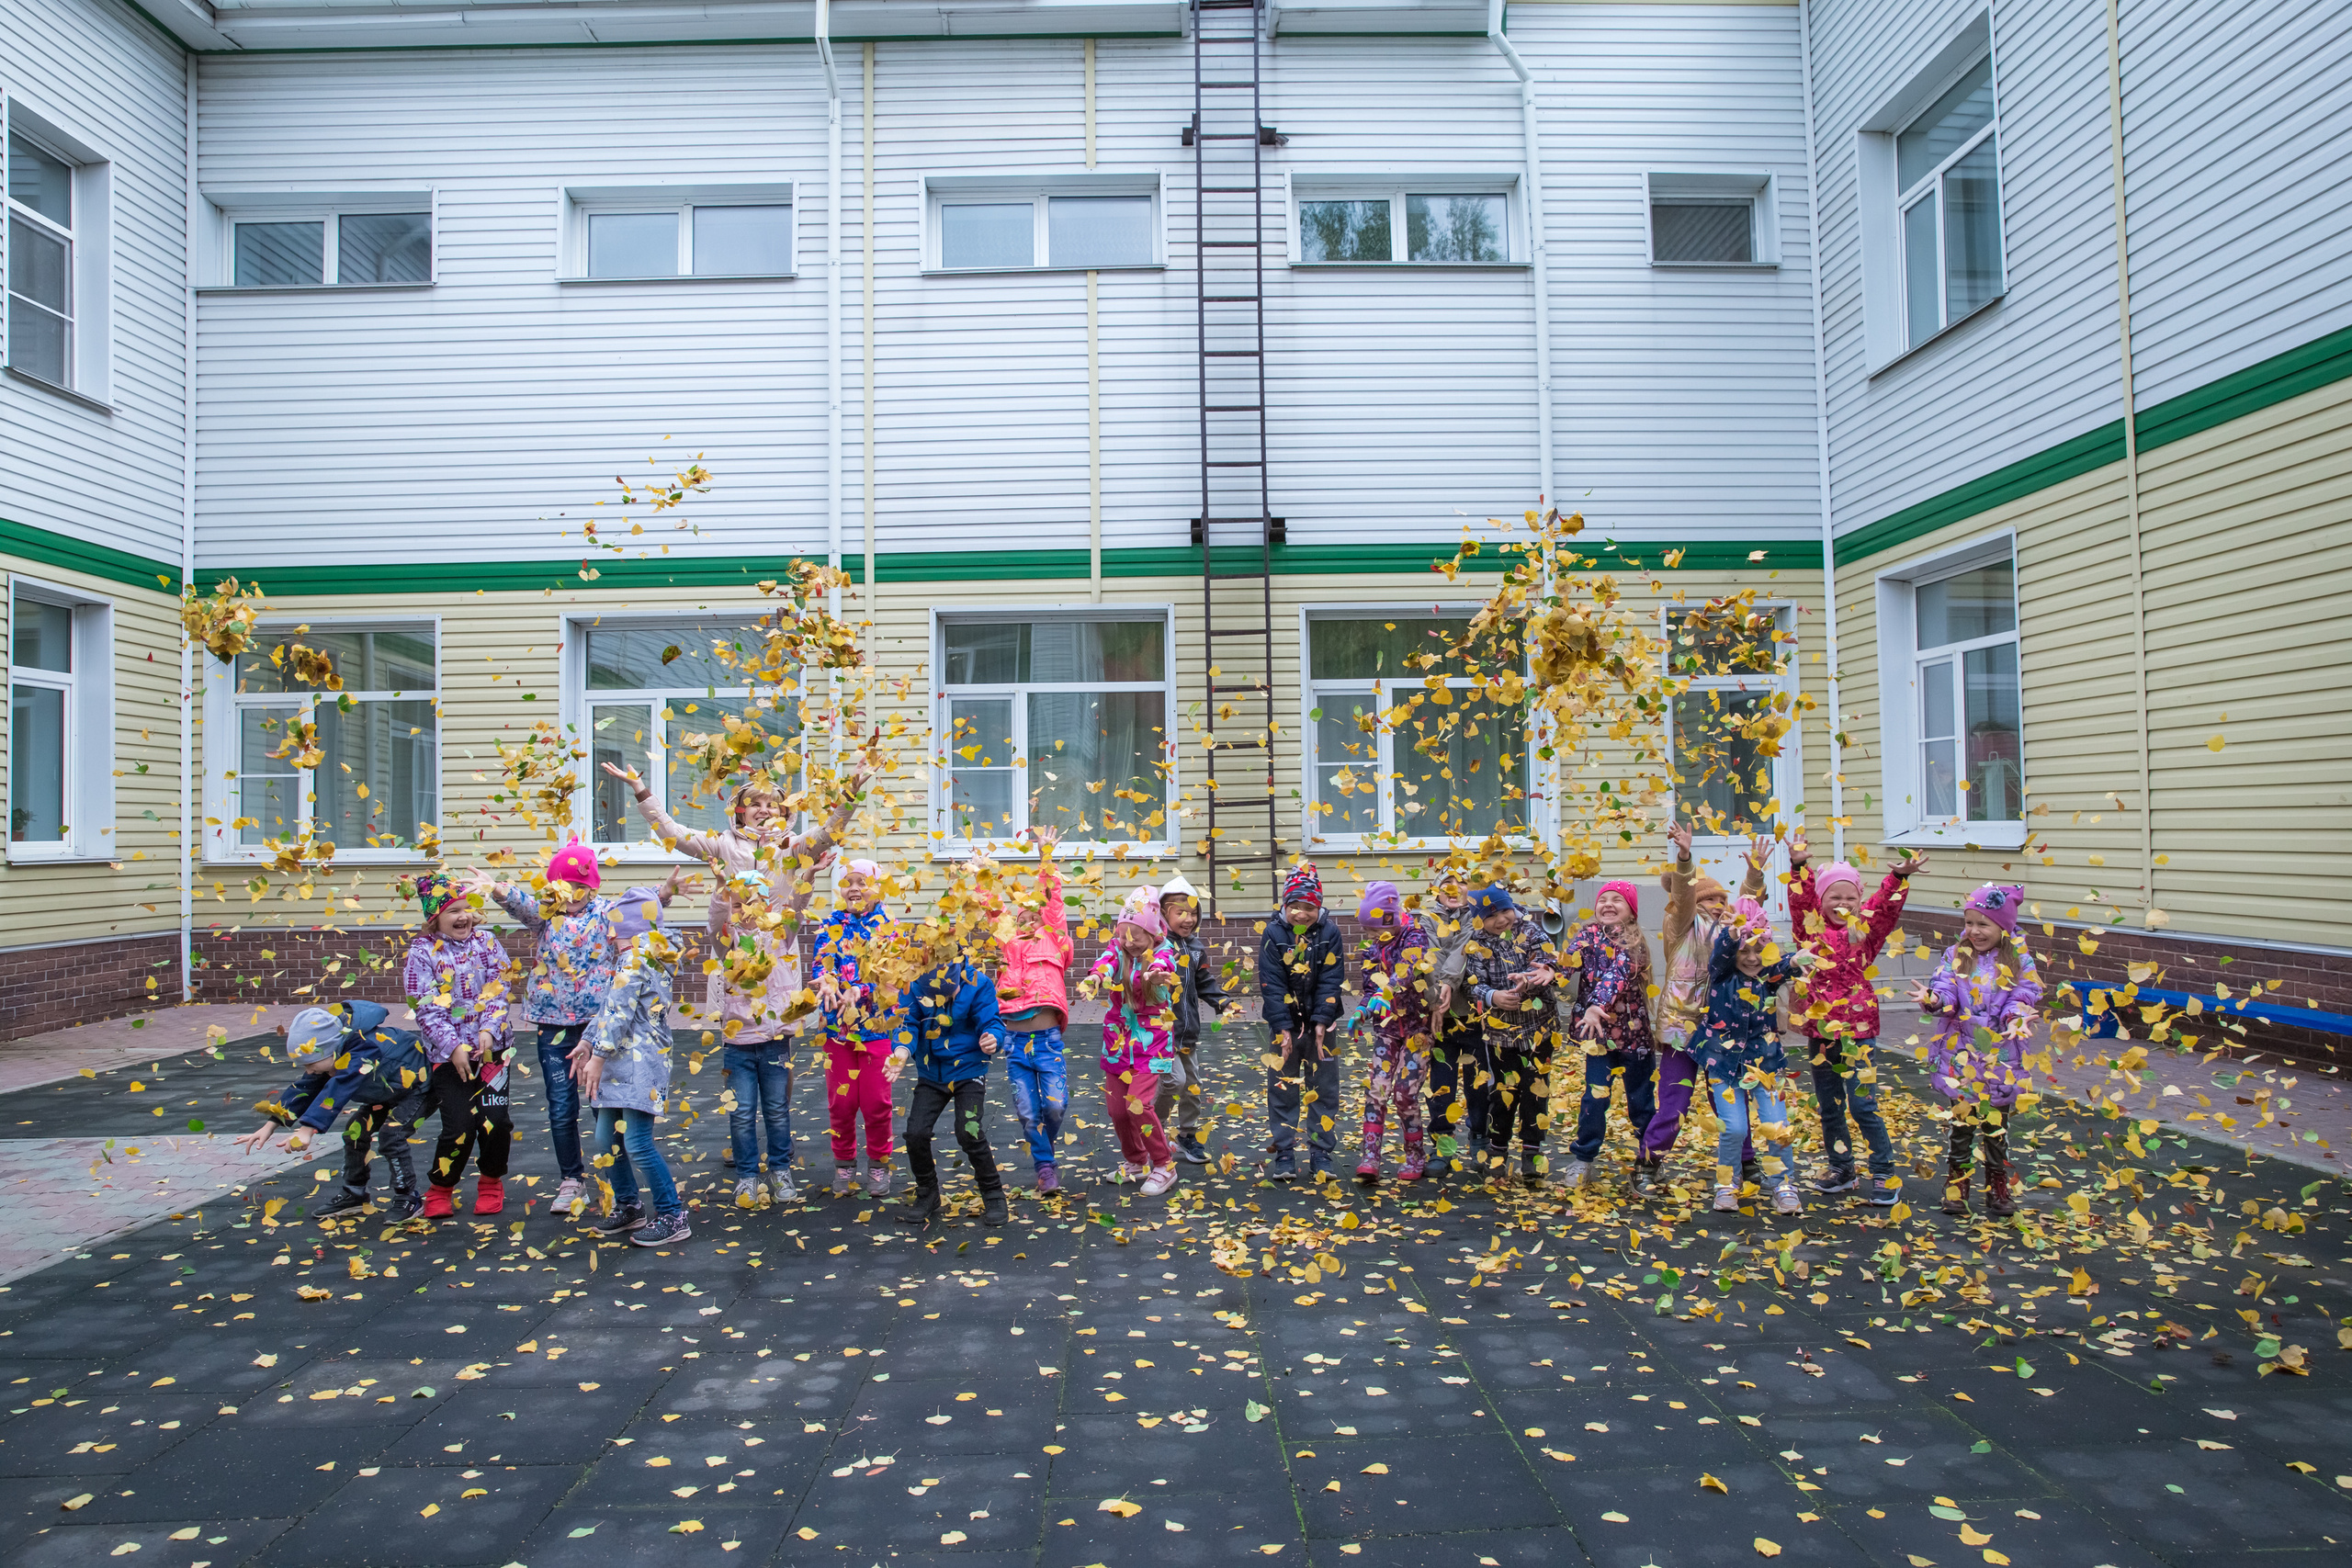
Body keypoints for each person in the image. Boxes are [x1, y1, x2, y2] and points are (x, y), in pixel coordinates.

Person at [601, 761, 861, 1205]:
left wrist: (850, 795)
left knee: (778, 1097)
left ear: (786, 812)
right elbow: (673, 834)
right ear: (738, 812)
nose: (763, 810)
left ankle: (780, 1166)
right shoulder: (721, 845)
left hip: (779, 971)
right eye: (754, 803)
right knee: (742, 1106)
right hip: (738, 967)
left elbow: (828, 834)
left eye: (772, 804)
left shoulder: (792, 845)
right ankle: (747, 1172)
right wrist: (643, 791)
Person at [475, 840, 685, 1219]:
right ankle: (572, 1179)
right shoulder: (546, 915)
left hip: (599, 1025)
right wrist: (496, 888)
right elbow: (520, 902)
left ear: (592, 887)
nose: (570, 894)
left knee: (601, 1104)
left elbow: (638, 911)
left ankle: (619, 1186)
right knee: (560, 1106)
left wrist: (664, 893)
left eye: (578, 886)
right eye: (562, 886)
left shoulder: (609, 917)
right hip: (555, 1026)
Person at [1786, 833, 1926, 1206]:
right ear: (1821, 900)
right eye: (1835, 897)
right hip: (1821, 1032)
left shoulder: (1864, 932)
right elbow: (1799, 904)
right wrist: (1799, 868)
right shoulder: (1809, 930)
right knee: (1829, 1105)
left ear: (1859, 902)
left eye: (1851, 897)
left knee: (1863, 1104)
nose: (1843, 903)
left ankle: (1883, 1171)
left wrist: (1898, 878)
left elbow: (1885, 909)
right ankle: (1842, 1166)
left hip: (1859, 1031)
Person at [1642, 824, 1770, 1194]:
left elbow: (1748, 905)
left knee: (1728, 1101)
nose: (1717, 905)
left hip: (1722, 1031)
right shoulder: (1679, 926)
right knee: (1674, 1103)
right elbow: (1680, 897)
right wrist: (1684, 858)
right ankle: (1648, 1162)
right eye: (1708, 900)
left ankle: (1746, 1160)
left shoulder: (1731, 930)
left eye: (1720, 900)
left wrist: (1754, 874)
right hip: (1681, 1027)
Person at [1916, 884, 2043, 1219]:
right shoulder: (1957, 955)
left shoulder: (2019, 960)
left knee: (1995, 1127)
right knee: (1961, 1126)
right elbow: (1945, 989)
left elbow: (2023, 996)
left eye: (1983, 924)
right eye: (1969, 922)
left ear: (2004, 926)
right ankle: (1957, 1184)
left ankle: (1998, 1186)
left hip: (2001, 1058)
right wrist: (1935, 1000)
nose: (1974, 931)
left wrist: (2016, 1018)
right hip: (1960, 1056)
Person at [240, 1002, 431, 1220]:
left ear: (331, 1048)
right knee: (355, 1132)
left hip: (418, 1089)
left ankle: (408, 1197)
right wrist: (271, 1124)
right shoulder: (336, 1051)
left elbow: (340, 1086)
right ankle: (355, 1192)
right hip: (386, 1092)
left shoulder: (364, 1048)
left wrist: (308, 1129)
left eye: (310, 1063)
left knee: (392, 1134)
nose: (308, 1070)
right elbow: (306, 1087)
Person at [576, 886, 691, 1247]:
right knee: (606, 1138)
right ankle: (628, 1206)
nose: (608, 934)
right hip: (620, 1061)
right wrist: (587, 1039)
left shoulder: (637, 959)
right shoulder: (633, 958)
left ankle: (672, 1214)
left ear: (624, 928)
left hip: (641, 1064)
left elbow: (621, 1013)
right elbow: (610, 1007)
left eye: (612, 926)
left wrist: (596, 1056)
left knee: (638, 1142)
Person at [402, 870, 517, 1218]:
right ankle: (441, 1186)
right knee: (460, 1126)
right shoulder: (422, 952)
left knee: (495, 1122)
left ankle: (490, 1181)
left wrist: (489, 1031)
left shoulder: (488, 943)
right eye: (453, 911)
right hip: (447, 1057)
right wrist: (452, 1047)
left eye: (468, 908)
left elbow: (500, 987)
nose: (464, 916)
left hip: (493, 1053)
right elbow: (423, 1005)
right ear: (435, 918)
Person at [1691, 898, 1816, 1215]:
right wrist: (1733, 935)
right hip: (1724, 1062)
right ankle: (1727, 1182)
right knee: (1733, 1128)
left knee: (1777, 1125)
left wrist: (1797, 959)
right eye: (1743, 951)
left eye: (1757, 951)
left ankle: (1783, 1183)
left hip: (1766, 1063)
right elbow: (1720, 954)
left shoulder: (1768, 977)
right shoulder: (1721, 973)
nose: (1750, 958)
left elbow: (1784, 966)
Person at [888, 953, 1012, 1227]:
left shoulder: (978, 983)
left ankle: (993, 1194)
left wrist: (994, 1038)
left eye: (951, 992)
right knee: (916, 1132)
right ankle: (927, 1193)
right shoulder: (913, 985)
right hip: (932, 1072)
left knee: (968, 1130)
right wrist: (901, 1052)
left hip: (968, 1069)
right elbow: (906, 1024)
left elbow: (991, 1020)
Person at [1082, 886, 1183, 1195]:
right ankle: (1136, 1160)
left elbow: (1162, 965)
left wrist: (1152, 974)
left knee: (1138, 1106)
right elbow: (1105, 963)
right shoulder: (1118, 948)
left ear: (1152, 934)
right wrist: (1095, 977)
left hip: (1151, 1042)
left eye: (1136, 936)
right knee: (1117, 1110)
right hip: (1118, 1040)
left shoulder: (1165, 951)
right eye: (1124, 934)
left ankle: (1164, 1165)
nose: (1129, 942)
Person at [1556, 878, 1655, 1190]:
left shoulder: (1635, 942)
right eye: (1603, 899)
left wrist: (1596, 1004)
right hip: (1599, 1039)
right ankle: (1583, 1159)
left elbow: (1616, 976)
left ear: (1631, 911)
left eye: (1618, 900)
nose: (1608, 904)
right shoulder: (1587, 935)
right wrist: (1547, 972)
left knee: (1641, 1103)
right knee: (1593, 1099)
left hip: (1634, 1037)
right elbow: (1566, 963)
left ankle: (1649, 1162)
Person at [813, 859, 899, 1197]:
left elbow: (890, 976)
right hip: (838, 1031)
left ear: (877, 887)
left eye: (862, 882)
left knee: (877, 1102)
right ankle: (844, 1162)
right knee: (842, 1103)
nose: (854, 888)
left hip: (877, 1029)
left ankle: (878, 1164)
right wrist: (826, 980)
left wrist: (859, 990)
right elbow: (822, 963)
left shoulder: (889, 927)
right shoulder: (830, 924)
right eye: (848, 881)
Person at [996, 829, 1074, 1193]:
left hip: (1046, 1040)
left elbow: (1053, 901)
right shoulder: (1008, 946)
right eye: (1021, 916)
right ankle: (1045, 1167)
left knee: (1055, 1107)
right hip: (1014, 1043)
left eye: (1034, 916)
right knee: (1029, 1112)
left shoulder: (1055, 939)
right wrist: (977, 873)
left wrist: (1046, 856)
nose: (1028, 920)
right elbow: (992, 911)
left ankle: (1044, 1147)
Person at [1464, 884, 1558, 1187]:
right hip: (1501, 1035)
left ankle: (1532, 1151)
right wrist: (1493, 996)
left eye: (1505, 910)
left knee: (1536, 1090)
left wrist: (1530, 980)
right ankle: (1498, 1150)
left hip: (1539, 1028)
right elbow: (1471, 984)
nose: (1502, 919)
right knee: (1503, 1093)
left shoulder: (1529, 931)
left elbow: (1549, 962)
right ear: (1479, 920)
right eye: (1491, 915)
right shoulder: (1476, 944)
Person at [1258, 863, 1346, 1179]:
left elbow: (1332, 979)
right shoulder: (1274, 933)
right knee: (1283, 1088)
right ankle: (1284, 1152)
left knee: (1324, 1088)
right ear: (1285, 905)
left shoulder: (1330, 933)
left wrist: (1322, 1019)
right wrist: (1283, 1027)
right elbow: (1271, 983)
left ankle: (1321, 1152)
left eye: (1308, 907)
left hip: (1324, 1027)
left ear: (1318, 906)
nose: (1301, 913)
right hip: (1286, 1026)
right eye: (1294, 906)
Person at [1351, 881, 1434, 1184]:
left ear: (1391, 919)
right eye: (1368, 932)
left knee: (1403, 1093)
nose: (1372, 937)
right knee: (1378, 1090)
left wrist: (1383, 994)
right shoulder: (1372, 949)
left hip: (1417, 1029)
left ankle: (1415, 1153)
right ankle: (1370, 1155)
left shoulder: (1415, 935)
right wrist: (1362, 1010)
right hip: (1386, 1029)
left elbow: (1408, 972)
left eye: (1376, 930)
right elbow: (1370, 988)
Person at [1157, 874, 1232, 1166]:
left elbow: (1203, 982)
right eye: (1181, 913)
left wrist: (1222, 1002)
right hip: (1163, 1032)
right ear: (1164, 915)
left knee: (1192, 1085)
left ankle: (1187, 1134)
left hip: (1188, 1032)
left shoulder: (1195, 947)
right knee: (1172, 1082)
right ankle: (1153, 1128)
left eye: (1193, 912)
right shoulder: (1158, 945)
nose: (1188, 919)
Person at [1425, 873, 1490, 1172]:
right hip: (1439, 1016)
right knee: (1441, 1083)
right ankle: (1444, 1146)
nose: (1454, 888)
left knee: (1478, 1083)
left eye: (1461, 881)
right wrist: (1437, 997)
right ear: (1437, 891)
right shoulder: (1424, 918)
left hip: (1474, 1015)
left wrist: (1449, 983)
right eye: (1446, 882)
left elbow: (1463, 949)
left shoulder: (1477, 918)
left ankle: (1480, 1140)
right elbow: (1431, 958)